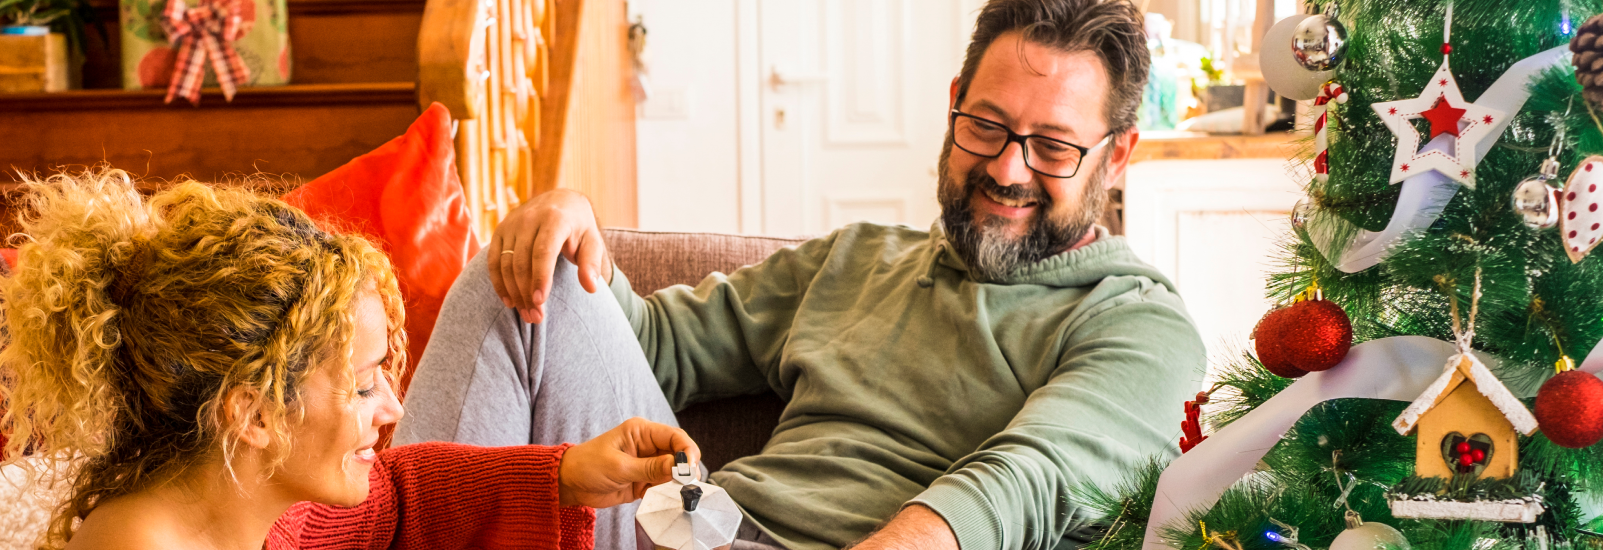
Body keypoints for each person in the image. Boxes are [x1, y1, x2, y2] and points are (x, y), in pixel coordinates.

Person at [393, 0, 1206, 549]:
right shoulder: (859, 257)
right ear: (955, 102)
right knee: (525, 271)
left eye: (1053, 146)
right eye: (985, 125)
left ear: (1117, 155)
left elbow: (1026, 482)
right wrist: (570, 225)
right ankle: (373, 521)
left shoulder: (1136, 322)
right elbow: (656, 344)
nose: (1008, 168)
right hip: (697, 524)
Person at [0, 170, 700, 550]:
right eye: (360, 387)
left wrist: (567, 474)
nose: (393, 408)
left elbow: (396, 503)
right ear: (253, 414)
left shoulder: (249, 512)